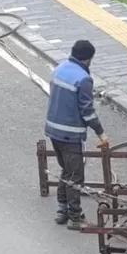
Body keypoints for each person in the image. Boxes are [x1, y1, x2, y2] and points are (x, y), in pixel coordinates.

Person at [45, 39, 107, 229]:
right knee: (75, 176)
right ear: (89, 59)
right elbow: (87, 112)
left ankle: (61, 210)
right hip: (71, 135)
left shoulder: (59, 69)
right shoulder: (83, 79)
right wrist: (101, 133)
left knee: (66, 169)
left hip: (53, 131)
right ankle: (74, 216)